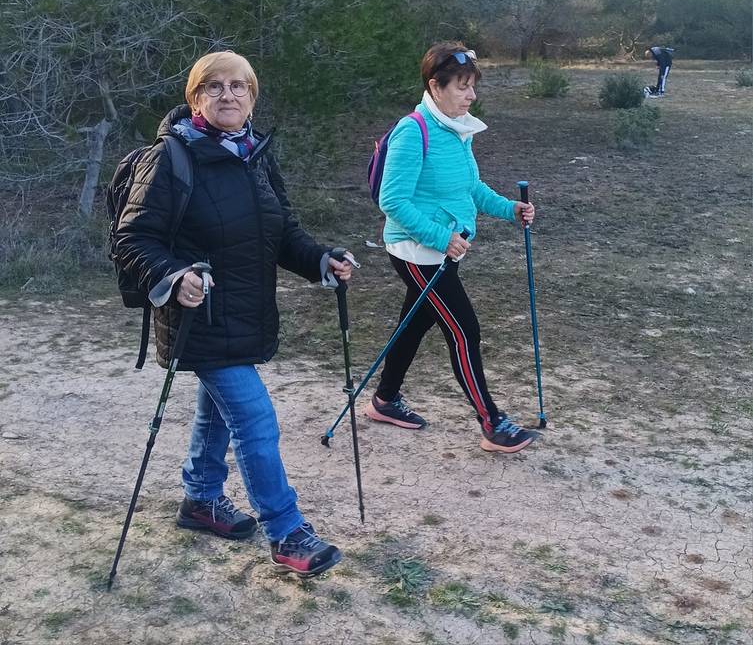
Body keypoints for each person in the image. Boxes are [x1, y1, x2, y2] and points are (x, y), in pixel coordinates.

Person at [115, 50, 353, 578]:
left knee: (217, 411)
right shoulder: (170, 159)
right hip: (199, 318)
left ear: (253, 94)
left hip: (247, 314)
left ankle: (200, 500)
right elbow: (132, 238)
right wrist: (176, 278)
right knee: (255, 420)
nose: (228, 95)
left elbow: (280, 231)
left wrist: (319, 260)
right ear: (194, 97)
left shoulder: (255, 154)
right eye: (214, 86)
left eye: (238, 86)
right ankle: (286, 531)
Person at [364, 42, 540, 454]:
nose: (471, 95)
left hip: (445, 252)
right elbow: (392, 200)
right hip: (417, 252)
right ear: (435, 86)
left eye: (472, 86)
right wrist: (440, 237)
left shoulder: (458, 130)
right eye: (463, 87)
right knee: (464, 331)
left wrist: (509, 208)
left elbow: (469, 188)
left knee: (415, 322)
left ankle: (385, 400)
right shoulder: (414, 130)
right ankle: (492, 423)